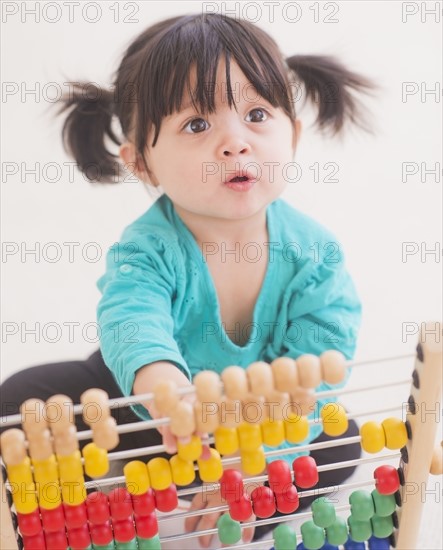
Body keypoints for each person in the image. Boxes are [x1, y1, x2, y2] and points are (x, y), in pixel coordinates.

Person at [0, 12, 376, 547]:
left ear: (292, 135)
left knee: (342, 441)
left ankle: (246, 502)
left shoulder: (314, 255)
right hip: (148, 419)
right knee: (20, 400)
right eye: (197, 125)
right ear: (142, 163)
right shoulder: (146, 247)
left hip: (252, 434)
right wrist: (162, 391)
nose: (235, 142)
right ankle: (97, 490)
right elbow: (132, 320)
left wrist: (258, 463)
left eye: (256, 114)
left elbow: (315, 374)